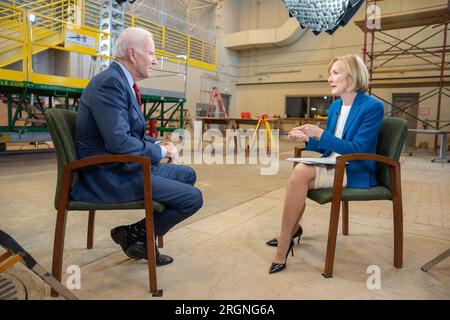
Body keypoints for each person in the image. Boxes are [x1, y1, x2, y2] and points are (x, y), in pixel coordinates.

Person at [71, 27, 203, 266]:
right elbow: (118, 141)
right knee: (192, 199)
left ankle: (138, 235)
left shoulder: (120, 81)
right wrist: (161, 152)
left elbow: (128, 133)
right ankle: (137, 235)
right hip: (107, 173)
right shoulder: (110, 83)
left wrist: (161, 143)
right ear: (132, 54)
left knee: (188, 174)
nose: (154, 60)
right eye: (151, 53)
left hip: (122, 165)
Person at [267, 54, 384, 274]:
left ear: (353, 76)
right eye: (330, 73)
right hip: (334, 162)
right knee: (299, 178)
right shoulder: (335, 107)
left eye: (336, 72)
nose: (330, 78)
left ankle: (284, 244)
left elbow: (357, 149)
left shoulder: (372, 107)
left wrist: (320, 134)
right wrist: (307, 139)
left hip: (355, 168)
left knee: (300, 174)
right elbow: (329, 147)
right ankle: (290, 233)